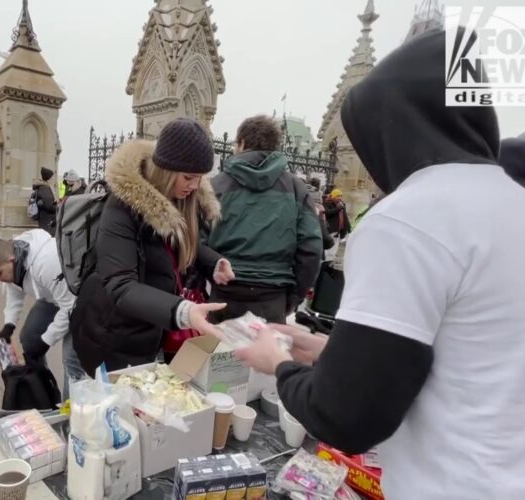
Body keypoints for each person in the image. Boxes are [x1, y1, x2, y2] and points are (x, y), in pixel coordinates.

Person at [234, 30, 525, 499]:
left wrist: (280, 365)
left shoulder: (412, 215)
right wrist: (333, 350)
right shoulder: (512, 199)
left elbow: (346, 415)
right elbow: (461, 360)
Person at [71, 118, 233, 373]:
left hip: (149, 330)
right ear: (166, 171)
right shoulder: (122, 206)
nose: (194, 186)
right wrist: (181, 310)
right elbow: (120, 284)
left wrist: (212, 262)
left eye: (200, 178)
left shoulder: (179, 197)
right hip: (110, 333)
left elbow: (176, 242)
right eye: (189, 177)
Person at [205, 115, 322, 324]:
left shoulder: (216, 185)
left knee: (217, 354)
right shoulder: (296, 188)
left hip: (224, 290)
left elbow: (196, 241)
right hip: (272, 296)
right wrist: (296, 295)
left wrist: (201, 278)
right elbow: (311, 247)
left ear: (241, 143)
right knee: (267, 356)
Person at [0, 230, 85, 397]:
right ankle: (44, 391)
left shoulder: (47, 263)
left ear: (12, 260)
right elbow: (14, 291)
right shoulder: (13, 258)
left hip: (80, 302)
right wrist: (9, 325)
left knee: (71, 360)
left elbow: (70, 307)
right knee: (29, 338)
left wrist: (46, 340)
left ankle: (71, 416)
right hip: (52, 297)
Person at [32, 167, 58, 235]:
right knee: (48, 238)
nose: (53, 179)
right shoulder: (45, 189)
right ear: (48, 178)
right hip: (48, 220)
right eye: (52, 177)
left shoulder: (43, 187)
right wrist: (58, 206)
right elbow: (49, 206)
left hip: (45, 219)